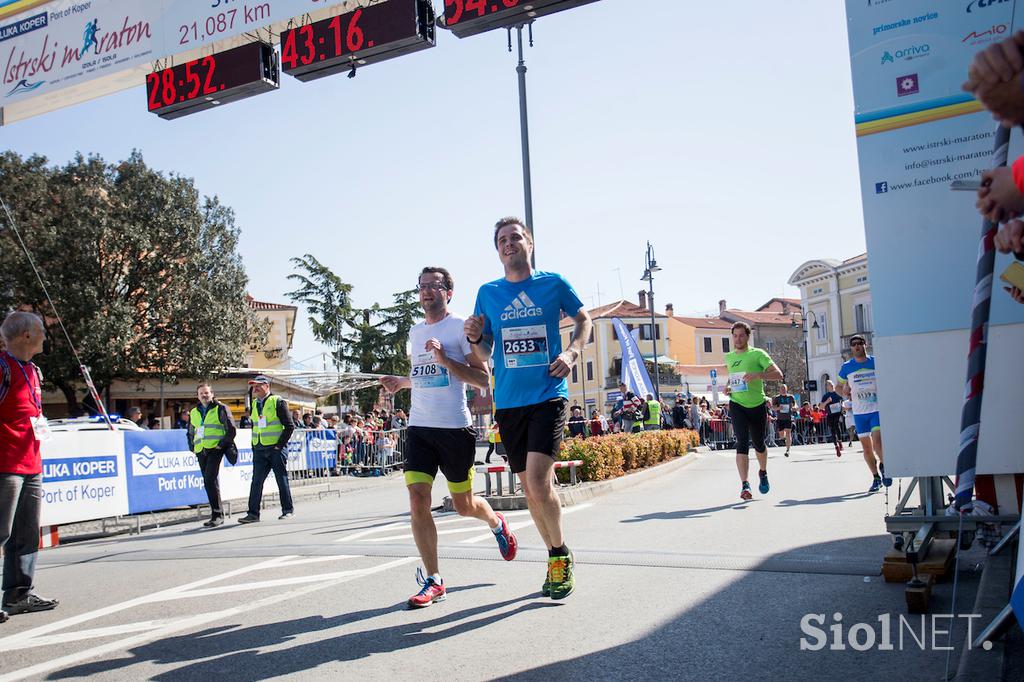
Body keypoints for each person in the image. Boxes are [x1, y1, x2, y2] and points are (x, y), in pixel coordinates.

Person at [465, 216, 592, 600]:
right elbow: (485, 350)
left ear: (529, 243)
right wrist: (474, 339)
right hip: (510, 402)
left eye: (515, 237)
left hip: (549, 394)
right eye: (502, 240)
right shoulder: (487, 293)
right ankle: (555, 553)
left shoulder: (553, 284)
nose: (509, 243)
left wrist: (572, 352)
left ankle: (558, 555)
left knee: (538, 481)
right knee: (530, 490)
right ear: (497, 249)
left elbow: (584, 320)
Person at [381, 266, 517, 608]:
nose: (427, 291)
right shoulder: (414, 333)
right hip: (419, 427)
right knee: (417, 499)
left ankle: (496, 521)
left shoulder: (459, 328)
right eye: (422, 286)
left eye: (434, 286)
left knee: (463, 505)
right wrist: (402, 382)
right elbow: (426, 376)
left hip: (455, 428)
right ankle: (434, 579)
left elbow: (482, 379)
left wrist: (444, 358)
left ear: (448, 292)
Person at [0, 312, 58, 620]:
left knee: (25, 533)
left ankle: (18, 596)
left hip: (31, 463)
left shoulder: (33, 370)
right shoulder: (2, 368)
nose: (45, 336)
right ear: (25, 336)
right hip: (5, 464)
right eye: (40, 331)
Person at [719, 321, 783, 501]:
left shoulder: (758, 354)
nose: (738, 339)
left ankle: (762, 472)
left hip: (757, 405)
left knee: (759, 443)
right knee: (741, 442)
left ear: (748, 336)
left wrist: (758, 375)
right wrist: (727, 388)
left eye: (741, 335)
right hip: (737, 404)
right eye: (735, 335)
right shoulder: (730, 357)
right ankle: (745, 485)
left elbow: (778, 374)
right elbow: (733, 379)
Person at [237, 375, 296, 523]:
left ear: (267, 386)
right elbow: (256, 427)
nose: (255, 388)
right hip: (259, 449)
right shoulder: (255, 404)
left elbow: (289, 426)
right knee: (256, 482)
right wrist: (254, 446)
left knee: (281, 480)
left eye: (258, 385)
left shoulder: (278, 401)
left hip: (275, 449)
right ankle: (253, 514)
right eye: (253, 385)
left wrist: (278, 446)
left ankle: (287, 510)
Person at [838, 335, 891, 492]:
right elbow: (838, 387)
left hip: (876, 409)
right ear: (851, 348)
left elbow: (887, 378)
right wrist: (845, 392)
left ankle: (885, 467)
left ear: (865, 345)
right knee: (867, 449)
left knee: (878, 443)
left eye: (859, 343)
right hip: (859, 413)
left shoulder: (875, 362)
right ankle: (875, 477)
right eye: (853, 344)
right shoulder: (847, 367)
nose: (856, 346)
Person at [187, 382, 237, 527]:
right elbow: (190, 431)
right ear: (197, 396)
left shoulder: (220, 408)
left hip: (215, 449)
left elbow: (231, 429)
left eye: (206, 392)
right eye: (201, 393)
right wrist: (192, 446)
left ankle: (217, 514)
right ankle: (217, 514)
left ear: (212, 394)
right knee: (210, 481)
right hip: (200, 450)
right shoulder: (194, 412)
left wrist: (220, 445)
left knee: (209, 480)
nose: (204, 395)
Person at [819, 380, 845, 458]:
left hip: (838, 413)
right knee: (832, 430)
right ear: (827, 387)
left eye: (831, 384)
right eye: (829, 384)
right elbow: (821, 407)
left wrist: (843, 406)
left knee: (837, 425)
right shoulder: (825, 396)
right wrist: (827, 401)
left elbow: (842, 401)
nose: (831, 385)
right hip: (830, 414)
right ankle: (836, 446)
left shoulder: (837, 393)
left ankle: (840, 441)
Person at [771, 384, 796, 457]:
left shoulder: (791, 397)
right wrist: (778, 408)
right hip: (780, 418)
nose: (783, 390)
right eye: (782, 389)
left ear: (786, 389)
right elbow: (773, 407)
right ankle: (783, 438)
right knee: (781, 435)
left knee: (788, 433)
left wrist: (794, 407)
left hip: (788, 418)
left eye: (784, 389)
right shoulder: (777, 398)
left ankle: (788, 450)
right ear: (780, 390)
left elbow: (795, 405)